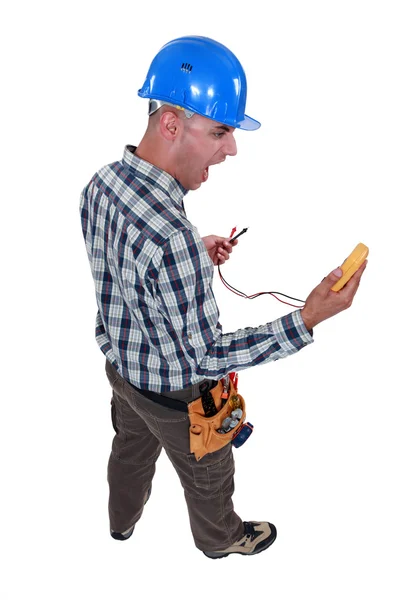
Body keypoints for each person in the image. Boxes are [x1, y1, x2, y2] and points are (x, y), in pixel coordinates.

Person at [79, 35, 367, 559]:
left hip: (122, 372)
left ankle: (121, 525)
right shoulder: (171, 240)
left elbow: (124, 270)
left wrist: (192, 250)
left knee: (128, 454)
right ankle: (221, 541)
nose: (230, 149)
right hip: (178, 401)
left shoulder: (100, 186)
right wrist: (306, 319)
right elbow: (206, 355)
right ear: (172, 124)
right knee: (211, 478)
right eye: (219, 131)